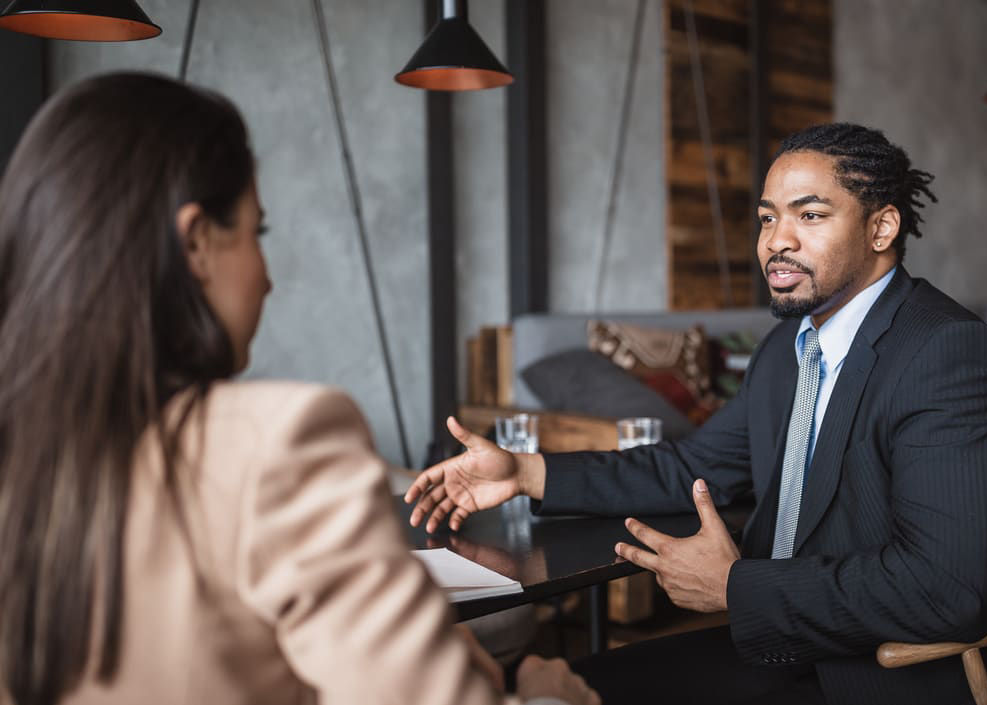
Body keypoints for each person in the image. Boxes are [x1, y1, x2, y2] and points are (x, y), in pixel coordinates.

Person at [407, 123, 987, 705]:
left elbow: (948, 589)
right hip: (798, 646)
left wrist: (738, 586)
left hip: (909, 676)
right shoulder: (789, 347)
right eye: (766, 218)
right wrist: (523, 471)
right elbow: (694, 465)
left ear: (881, 227)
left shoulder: (948, 352)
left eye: (809, 216)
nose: (776, 241)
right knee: (569, 680)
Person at [0, 72, 596, 705]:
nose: (267, 279)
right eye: (258, 233)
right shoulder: (276, 443)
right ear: (197, 241)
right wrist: (550, 696)